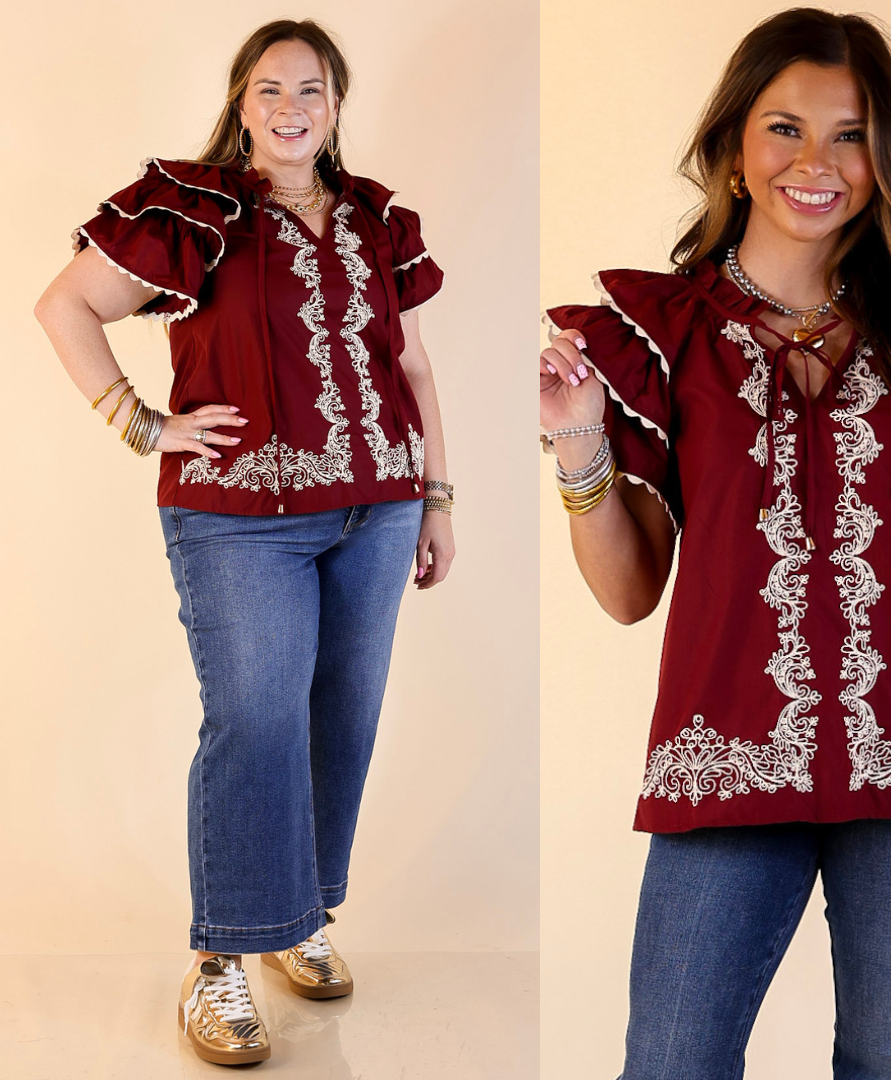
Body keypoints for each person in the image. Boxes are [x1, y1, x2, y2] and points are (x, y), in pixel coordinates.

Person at [540, 8, 891, 1078]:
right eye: (785, 128)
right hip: (727, 750)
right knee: (673, 1061)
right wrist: (579, 449)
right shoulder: (663, 335)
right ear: (736, 147)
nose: (817, 163)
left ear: (885, 162)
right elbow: (632, 590)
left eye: (851, 134)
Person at [35, 18, 455, 1067]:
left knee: (342, 718)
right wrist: (142, 423)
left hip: (381, 505)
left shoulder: (373, 219)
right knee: (255, 721)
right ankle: (222, 957)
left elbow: (413, 371)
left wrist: (438, 497)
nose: (288, 109)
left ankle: (296, 919)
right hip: (235, 519)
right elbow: (66, 305)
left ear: (336, 104)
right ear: (241, 102)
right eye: (268, 91)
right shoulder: (195, 211)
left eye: (309, 90)